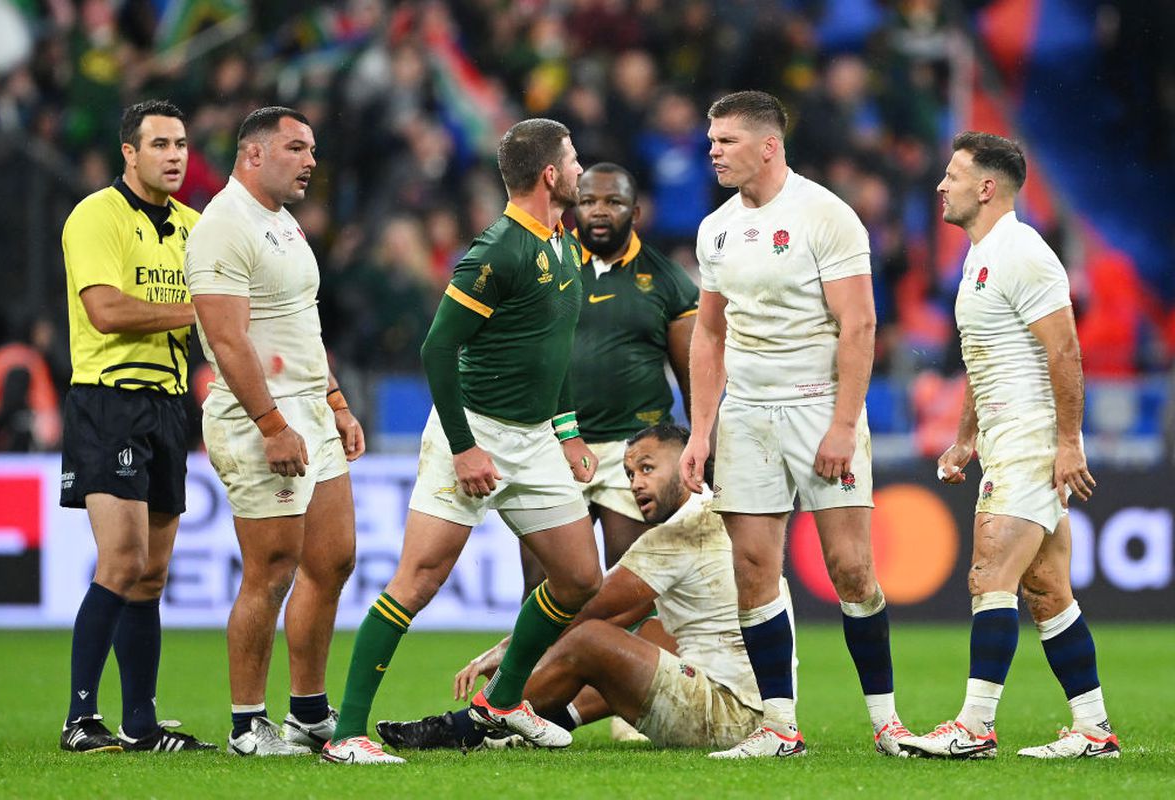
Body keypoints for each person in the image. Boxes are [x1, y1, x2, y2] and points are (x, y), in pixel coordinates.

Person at [320, 118, 603, 765]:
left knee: (580, 576)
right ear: (551, 175)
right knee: (417, 581)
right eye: (575, 159)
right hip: (470, 433)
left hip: (534, 440)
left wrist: (566, 430)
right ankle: (348, 735)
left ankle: (501, 703)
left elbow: (547, 350)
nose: (583, 169)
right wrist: (465, 445)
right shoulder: (496, 252)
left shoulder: (560, 240)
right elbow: (437, 348)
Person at [678, 90, 911, 758]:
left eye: (725, 140)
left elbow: (859, 323)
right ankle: (780, 728)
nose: (713, 150)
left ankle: (886, 722)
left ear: (767, 145)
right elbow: (710, 335)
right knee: (753, 570)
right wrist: (701, 430)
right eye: (712, 139)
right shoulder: (715, 227)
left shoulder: (824, 215)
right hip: (747, 414)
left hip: (818, 406)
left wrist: (842, 425)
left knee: (850, 569)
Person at [898, 132, 1120, 760]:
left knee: (988, 575)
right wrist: (966, 437)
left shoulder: (1023, 252)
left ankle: (974, 726)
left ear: (986, 188)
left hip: (1029, 435)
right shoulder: (979, 257)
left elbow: (1064, 350)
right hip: (1003, 435)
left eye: (953, 175)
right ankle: (1094, 729)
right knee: (1047, 589)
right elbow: (984, 358)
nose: (942, 185)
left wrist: (1068, 442)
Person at [376, 424, 795, 752]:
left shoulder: (684, 531)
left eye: (648, 468)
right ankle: (552, 722)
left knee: (593, 639)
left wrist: (504, 651)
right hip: (757, 710)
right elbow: (621, 617)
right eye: (631, 473)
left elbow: (588, 611)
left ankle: (467, 726)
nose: (635, 484)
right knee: (643, 631)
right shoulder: (715, 515)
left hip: (729, 717)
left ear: (689, 466)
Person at [185, 107, 365, 757]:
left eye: (313, 148)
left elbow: (302, 330)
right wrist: (272, 425)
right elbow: (228, 343)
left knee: (335, 556)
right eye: (296, 147)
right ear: (253, 154)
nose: (311, 160)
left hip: (310, 411)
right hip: (257, 418)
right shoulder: (222, 227)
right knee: (271, 571)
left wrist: (337, 402)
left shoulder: (284, 224)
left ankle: (309, 714)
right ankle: (246, 726)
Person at [58, 99, 214, 753]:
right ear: (129, 152)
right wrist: (196, 308)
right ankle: (80, 720)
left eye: (180, 143)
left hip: (171, 406)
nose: (174, 155)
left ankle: (143, 725)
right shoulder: (96, 215)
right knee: (121, 559)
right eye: (160, 144)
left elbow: (221, 318)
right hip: (109, 399)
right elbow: (107, 311)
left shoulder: (195, 226)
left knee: (151, 573)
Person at [517, 161, 697, 595]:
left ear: (635, 213)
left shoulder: (668, 280)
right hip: (552, 445)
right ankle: (537, 667)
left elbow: (693, 375)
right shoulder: (541, 267)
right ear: (572, 208)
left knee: (625, 586)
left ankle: (615, 664)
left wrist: (702, 442)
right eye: (589, 201)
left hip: (632, 448)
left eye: (613, 202)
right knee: (543, 586)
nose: (600, 211)